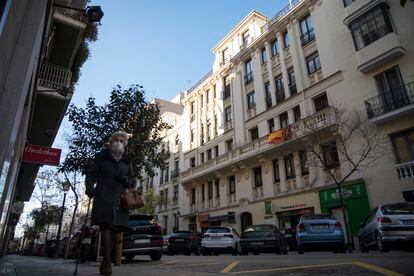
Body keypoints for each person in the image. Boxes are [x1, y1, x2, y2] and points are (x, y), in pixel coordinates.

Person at [85, 131, 136, 275]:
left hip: (120, 199)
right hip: (104, 196)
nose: (119, 142)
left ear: (125, 144)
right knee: (106, 226)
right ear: (111, 142)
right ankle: (107, 261)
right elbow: (91, 174)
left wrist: (126, 180)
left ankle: (106, 260)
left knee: (115, 229)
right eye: (116, 140)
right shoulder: (102, 157)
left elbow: (133, 180)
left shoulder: (127, 161)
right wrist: (89, 187)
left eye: (122, 141)